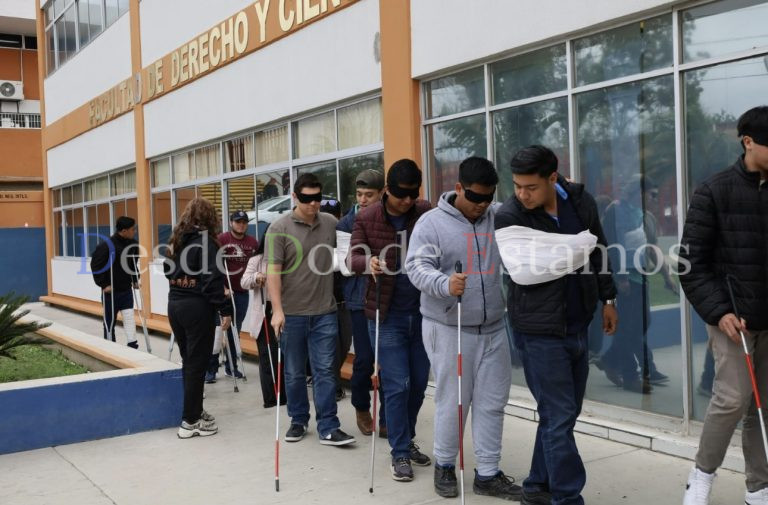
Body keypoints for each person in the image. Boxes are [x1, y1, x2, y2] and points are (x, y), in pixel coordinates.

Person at [494, 145, 618, 505]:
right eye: (517, 185)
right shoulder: (510, 215)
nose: (521, 194)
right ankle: (567, 498)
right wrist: (574, 249)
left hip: (579, 322)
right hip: (537, 330)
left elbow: (598, 249)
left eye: (530, 186)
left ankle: (536, 485)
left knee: (559, 415)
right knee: (559, 415)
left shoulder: (580, 201)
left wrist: (608, 299)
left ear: (553, 178)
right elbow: (524, 271)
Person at [406, 156, 522, 500]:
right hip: (449, 326)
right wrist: (444, 283)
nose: (481, 205)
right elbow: (416, 266)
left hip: (493, 327)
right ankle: (444, 465)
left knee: (492, 402)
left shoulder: (496, 216)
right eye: (475, 198)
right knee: (453, 400)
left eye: (487, 198)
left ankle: (487, 473)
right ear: (458, 188)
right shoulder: (431, 223)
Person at [680, 106, 768, 505]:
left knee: (764, 405)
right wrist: (719, 312)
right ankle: (701, 474)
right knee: (733, 399)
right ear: (748, 142)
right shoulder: (715, 191)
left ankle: (759, 485)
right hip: (735, 318)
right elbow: (690, 263)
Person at [349, 159, 432, 482]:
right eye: (401, 196)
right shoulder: (367, 217)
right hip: (386, 316)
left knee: (420, 384)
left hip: (424, 314)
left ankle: (406, 438)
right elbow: (351, 257)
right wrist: (366, 261)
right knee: (397, 385)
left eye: (412, 195)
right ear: (387, 191)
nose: (407, 201)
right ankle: (399, 452)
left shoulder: (424, 211)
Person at [265, 173, 355, 447]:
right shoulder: (278, 228)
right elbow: (273, 272)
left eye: (318, 198)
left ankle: (328, 425)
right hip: (291, 315)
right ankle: (298, 420)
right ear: (294, 197)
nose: (314, 204)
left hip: (325, 311)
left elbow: (347, 251)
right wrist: (277, 310)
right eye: (307, 199)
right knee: (293, 372)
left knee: (326, 371)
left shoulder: (330, 223)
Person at [597, 176, 678, 393]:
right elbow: (611, 246)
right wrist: (621, 277)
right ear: (638, 193)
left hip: (640, 277)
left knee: (642, 323)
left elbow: (652, 249)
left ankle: (609, 359)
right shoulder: (615, 212)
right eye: (652, 194)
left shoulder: (647, 217)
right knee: (628, 327)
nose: (655, 198)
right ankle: (630, 374)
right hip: (622, 281)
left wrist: (667, 277)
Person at [164, 197, 232, 438]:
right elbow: (212, 282)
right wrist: (225, 308)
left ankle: (193, 411)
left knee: (189, 362)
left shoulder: (177, 241)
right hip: (196, 308)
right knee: (196, 364)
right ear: (211, 218)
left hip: (175, 305)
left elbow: (166, 271)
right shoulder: (208, 244)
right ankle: (190, 420)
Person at [336, 169, 387, 436]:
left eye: (369, 195)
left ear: (382, 193)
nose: (363, 199)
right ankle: (360, 406)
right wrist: (371, 264)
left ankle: (388, 413)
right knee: (365, 359)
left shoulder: (390, 219)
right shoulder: (346, 223)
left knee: (390, 359)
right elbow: (345, 266)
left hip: (389, 299)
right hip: (358, 298)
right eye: (359, 194)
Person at [205, 211, 258, 383]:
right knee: (218, 330)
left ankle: (231, 366)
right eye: (238, 222)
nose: (241, 225)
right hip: (223, 293)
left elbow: (257, 263)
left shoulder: (252, 242)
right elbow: (212, 266)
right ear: (231, 223)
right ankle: (211, 370)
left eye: (244, 222)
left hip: (242, 293)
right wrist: (222, 287)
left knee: (235, 330)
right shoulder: (221, 239)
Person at [241, 226, 285, 409]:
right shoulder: (256, 260)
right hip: (265, 310)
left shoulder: (288, 259)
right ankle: (271, 397)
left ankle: (286, 393)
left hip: (285, 309)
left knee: (285, 354)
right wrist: (257, 277)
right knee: (267, 356)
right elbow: (244, 281)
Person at [90, 216, 140, 349]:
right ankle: (110, 347)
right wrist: (103, 284)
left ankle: (132, 344)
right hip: (110, 291)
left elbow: (133, 264)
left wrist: (135, 280)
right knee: (109, 321)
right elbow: (96, 265)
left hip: (126, 289)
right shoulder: (106, 246)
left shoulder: (133, 245)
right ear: (123, 231)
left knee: (129, 317)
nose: (134, 231)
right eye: (132, 229)